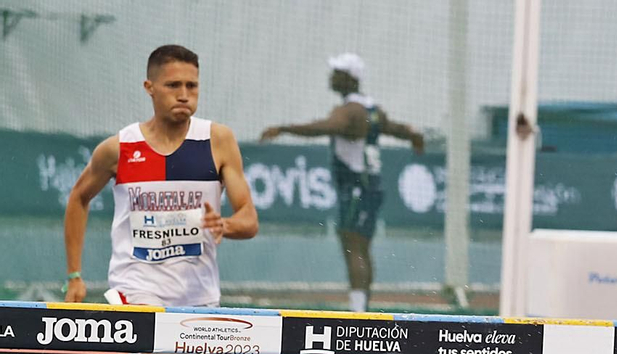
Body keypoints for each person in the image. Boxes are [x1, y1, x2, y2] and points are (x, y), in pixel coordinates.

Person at [63, 44, 258, 307]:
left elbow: (249, 219)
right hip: (134, 289)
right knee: (157, 345)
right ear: (149, 87)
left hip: (199, 295)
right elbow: (78, 198)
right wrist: (75, 275)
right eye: (173, 85)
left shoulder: (217, 140)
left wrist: (225, 225)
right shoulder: (119, 148)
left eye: (192, 86)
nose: (184, 95)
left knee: (189, 348)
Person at [262, 53, 425, 313]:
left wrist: (285, 128)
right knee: (361, 245)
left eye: (337, 72)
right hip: (372, 185)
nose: (331, 77)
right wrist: (414, 135)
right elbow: (395, 128)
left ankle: (358, 311)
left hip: (356, 186)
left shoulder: (349, 111)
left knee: (353, 244)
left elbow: (327, 126)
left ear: (350, 78)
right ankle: (362, 306)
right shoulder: (372, 109)